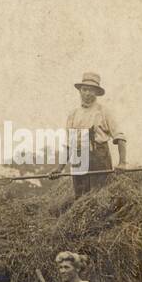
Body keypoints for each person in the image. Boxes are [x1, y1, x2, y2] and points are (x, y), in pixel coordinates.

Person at [57, 72, 128, 200]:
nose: (87, 93)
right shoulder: (73, 115)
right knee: (80, 200)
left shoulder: (103, 112)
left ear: (96, 92)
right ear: (80, 91)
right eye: (85, 90)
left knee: (100, 198)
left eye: (91, 90)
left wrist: (122, 163)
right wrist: (58, 169)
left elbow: (120, 137)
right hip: (78, 162)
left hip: (99, 160)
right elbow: (69, 145)